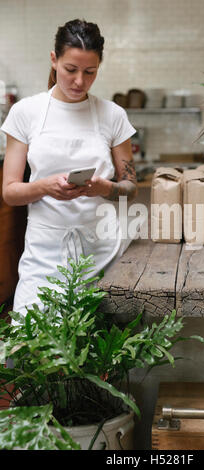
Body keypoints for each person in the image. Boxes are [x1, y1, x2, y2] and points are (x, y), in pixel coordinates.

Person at [0, 18, 138, 319]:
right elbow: (10, 193)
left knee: (96, 351)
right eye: (70, 70)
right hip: (44, 251)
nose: (79, 81)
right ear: (54, 60)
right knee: (30, 343)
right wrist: (44, 187)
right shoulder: (26, 112)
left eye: (90, 72)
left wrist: (105, 187)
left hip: (100, 250)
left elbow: (130, 185)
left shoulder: (113, 115)